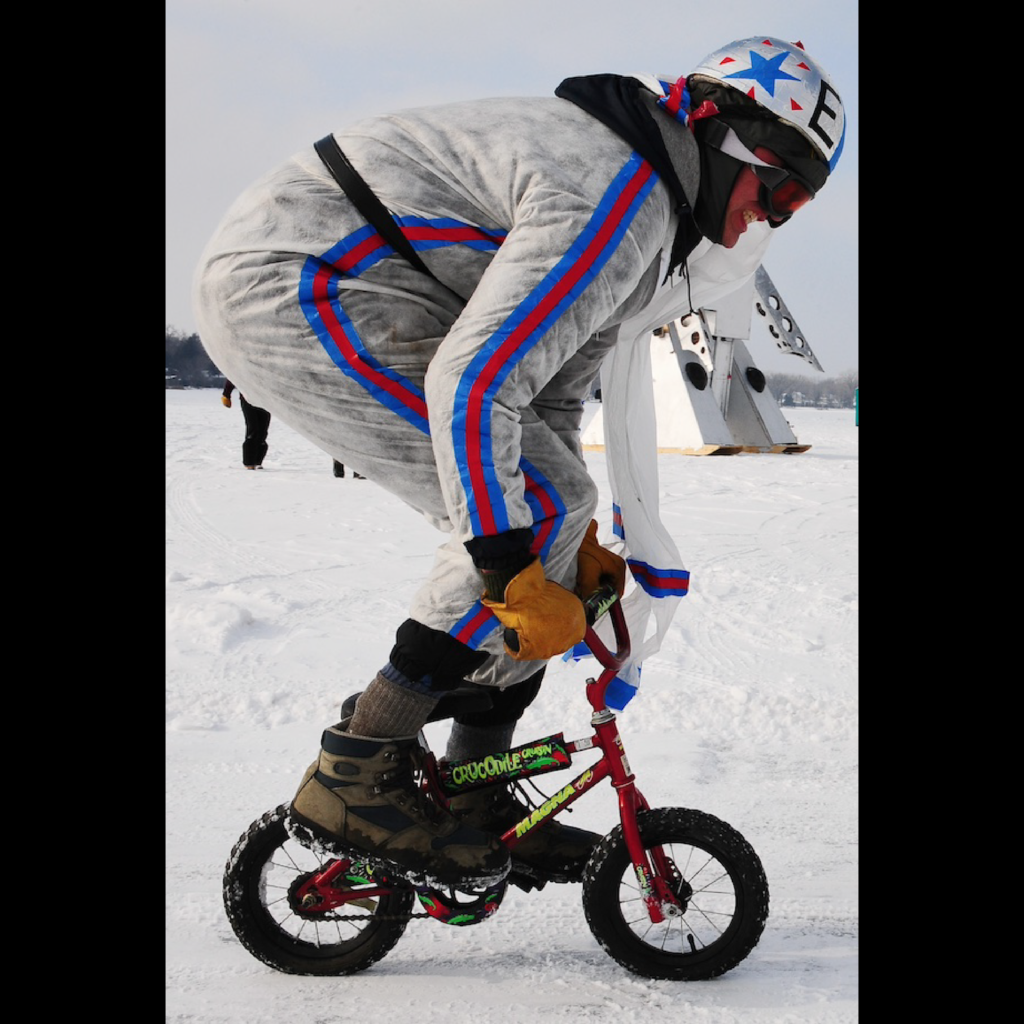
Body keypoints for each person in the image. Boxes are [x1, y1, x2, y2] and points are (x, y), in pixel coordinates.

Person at [194, 36, 845, 889]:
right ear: (719, 132)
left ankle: (477, 791)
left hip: (366, 280)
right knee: (528, 521)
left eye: (799, 203)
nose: (773, 215)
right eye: (781, 185)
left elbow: (548, 398)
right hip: (297, 283)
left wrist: (562, 557)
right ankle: (355, 769)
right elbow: (475, 383)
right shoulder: (626, 192)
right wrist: (511, 567)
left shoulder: (643, 206)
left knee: (553, 510)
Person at [221, 380, 272, 470]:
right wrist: (226, 394)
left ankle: (257, 461)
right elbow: (234, 376)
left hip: (265, 400)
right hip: (248, 399)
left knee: (263, 431)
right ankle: (249, 463)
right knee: (253, 429)